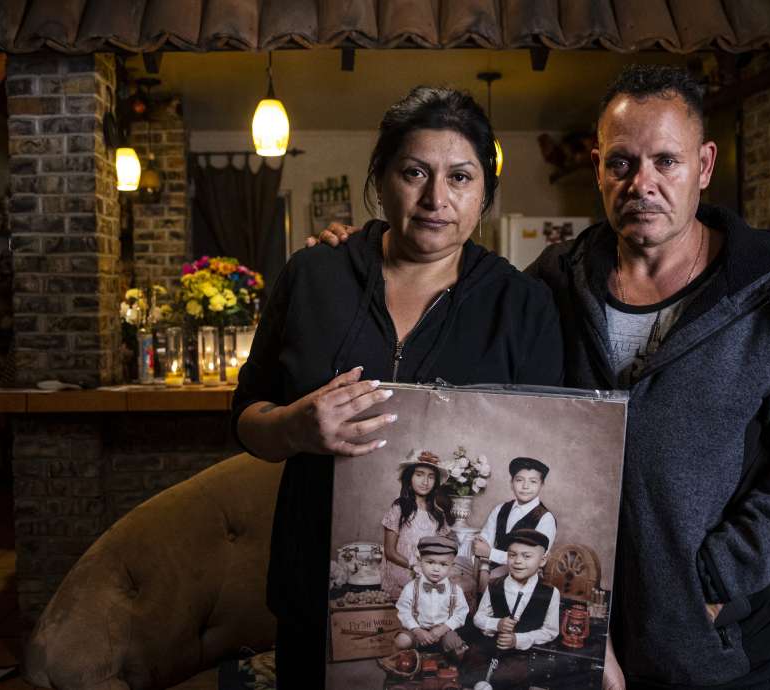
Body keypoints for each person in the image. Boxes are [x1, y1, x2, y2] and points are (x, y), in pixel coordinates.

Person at [311, 64, 770, 690]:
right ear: (599, 165)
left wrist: (717, 575)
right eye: (623, 163)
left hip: (719, 644)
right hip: (577, 638)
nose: (644, 184)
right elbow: (457, 314)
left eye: (668, 161)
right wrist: (361, 255)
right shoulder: (553, 282)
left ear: (705, 166)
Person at [232, 85, 564, 687]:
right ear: (381, 179)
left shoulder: (522, 304)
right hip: (317, 594)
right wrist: (293, 427)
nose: (437, 199)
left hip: (457, 605)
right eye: (415, 172)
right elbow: (246, 417)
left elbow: (543, 452)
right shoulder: (313, 276)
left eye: (461, 177)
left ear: (484, 191)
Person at [463, 528, 560, 690]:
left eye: (527, 556)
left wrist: (517, 640)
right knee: (472, 665)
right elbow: (478, 618)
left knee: (510, 677)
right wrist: (497, 624)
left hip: (521, 654)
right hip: (492, 648)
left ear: (543, 560)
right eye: (512, 555)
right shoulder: (494, 585)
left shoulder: (550, 593)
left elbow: (550, 631)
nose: (518, 561)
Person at [382, 450, 454, 597]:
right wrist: (414, 566)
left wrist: (431, 569)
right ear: (409, 478)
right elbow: (389, 552)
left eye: (431, 477)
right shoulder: (399, 508)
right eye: (419, 474)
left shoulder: (437, 514)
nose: (425, 482)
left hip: (429, 572)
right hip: (403, 570)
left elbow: (442, 549)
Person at [389, 534, 470, 661]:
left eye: (443, 564)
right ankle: (404, 665)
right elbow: (403, 610)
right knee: (402, 641)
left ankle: (452, 669)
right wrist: (417, 630)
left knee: (455, 645)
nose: (436, 569)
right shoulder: (411, 587)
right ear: (420, 561)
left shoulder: (455, 590)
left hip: (443, 632)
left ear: (451, 566)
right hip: (417, 631)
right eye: (430, 562)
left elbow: (461, 613)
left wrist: (443, 629)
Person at [472, 457, 556, 578]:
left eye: (533, 481)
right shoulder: (500, 509)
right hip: (492, 569)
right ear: (511, 483)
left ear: (541, 484)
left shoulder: (545, 518)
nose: (525, 486)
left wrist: (491, 553)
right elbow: (482, 545)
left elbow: (533, 560)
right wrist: (484, 569)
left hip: (525, 576)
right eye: (519, 480)